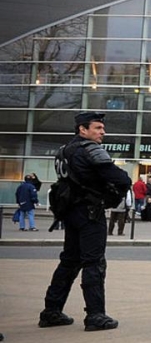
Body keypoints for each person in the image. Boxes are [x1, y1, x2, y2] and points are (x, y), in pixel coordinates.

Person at [39, 111, 130, 331]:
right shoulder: (89, 149)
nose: (102, 132)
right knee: (94, 262)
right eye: (98, 128)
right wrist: (112, 194)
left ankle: (51, 310)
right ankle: (95, 315)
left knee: (69, 261)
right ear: (83, 129)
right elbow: (121, 178)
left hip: (71, 213)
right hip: (90, 213)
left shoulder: (64, 151)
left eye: (102, 128)